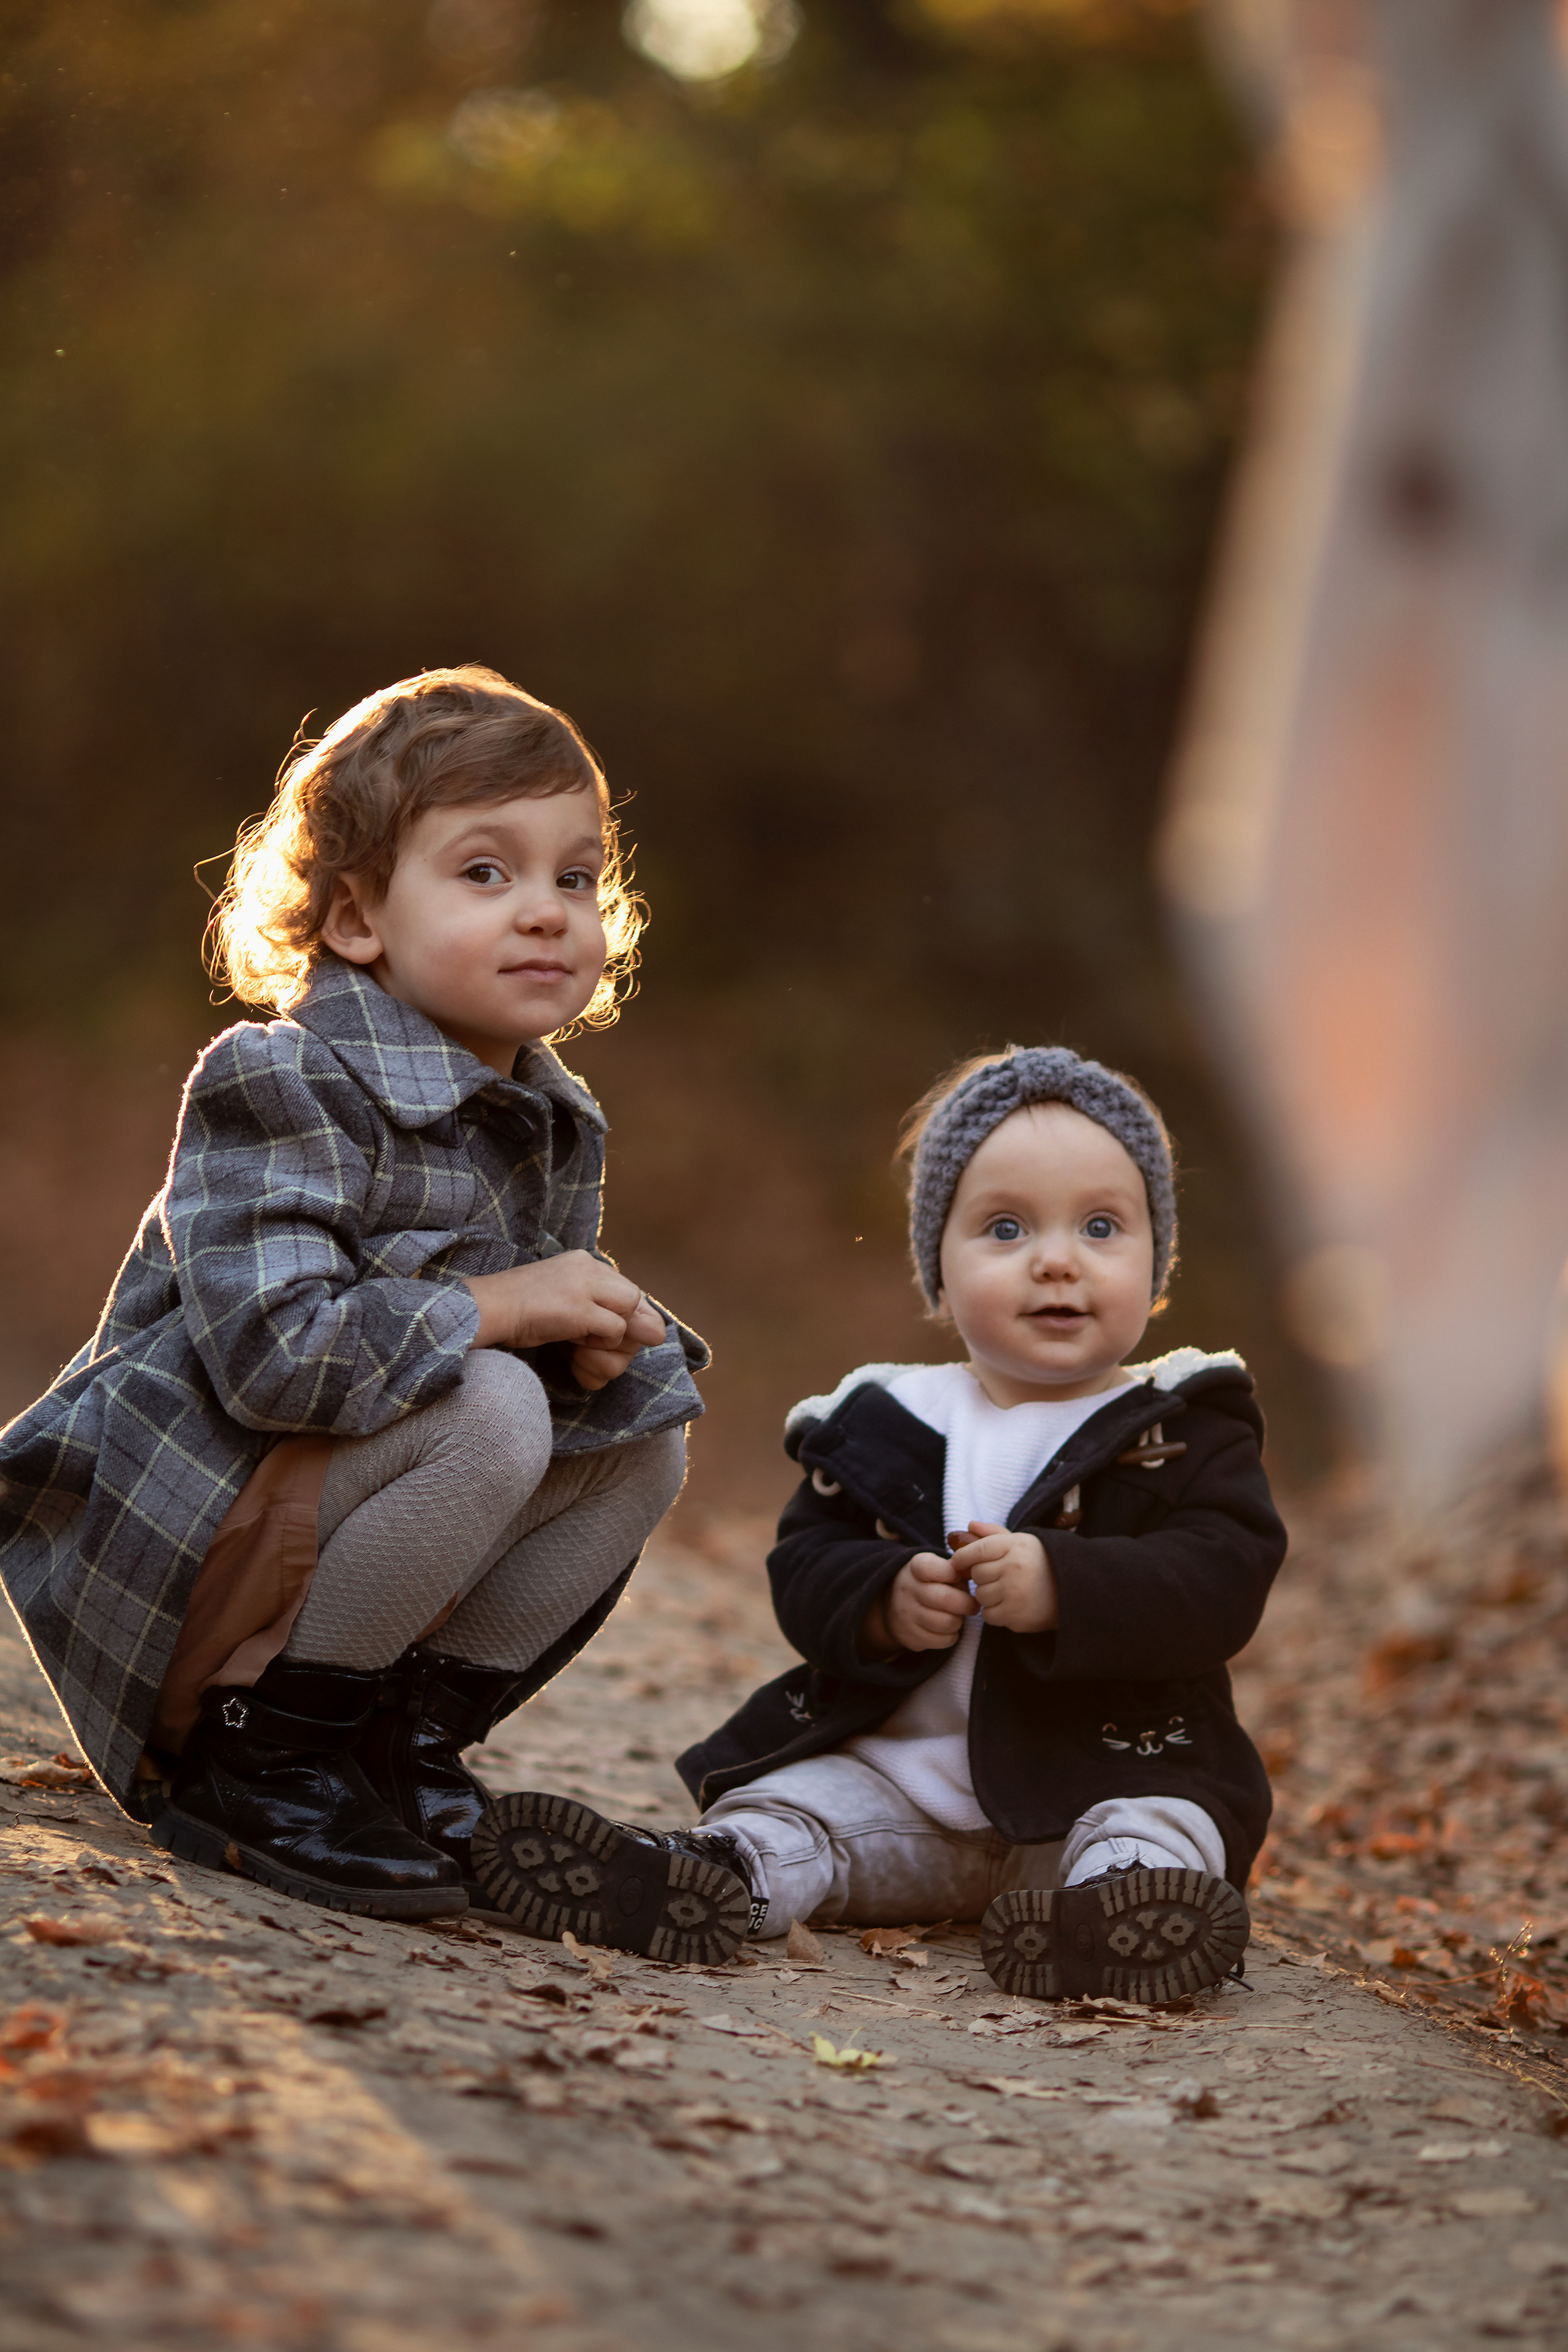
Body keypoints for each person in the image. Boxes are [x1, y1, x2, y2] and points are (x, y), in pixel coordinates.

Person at [0, 665, 740, 1948]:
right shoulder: (281, 1078)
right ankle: (261, 1758)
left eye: (576, 877)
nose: (547, 910)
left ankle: (398, 1749)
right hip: (180, 1569)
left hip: (315, 1543)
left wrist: (591, 1342)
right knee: (492, 1399)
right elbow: (276, 1358)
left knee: (640, 1433)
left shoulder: (550, 1114)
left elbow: (515, 1345)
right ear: (356, 916)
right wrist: (506, 1311)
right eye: (485, 872)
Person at [473, 1047, 1287, 1998]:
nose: (1057, 1260)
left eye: (1102, 1226)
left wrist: (1066, 1587)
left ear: (1158, 1264)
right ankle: (711, 1878)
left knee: (1164, 1826)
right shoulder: (886, 1422)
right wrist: (882, 1603)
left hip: (1102, 1785)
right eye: (1007, 1228)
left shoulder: (1182, 1426)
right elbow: (805, 1566)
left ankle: (1119, 1916)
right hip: (900, 1797)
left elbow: (1222, 1578)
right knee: (794, 1809)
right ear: (938, 1266)